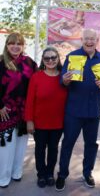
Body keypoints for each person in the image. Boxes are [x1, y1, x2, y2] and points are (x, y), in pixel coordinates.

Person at [55, 28, 100, 191]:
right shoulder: (72, 57)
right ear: (82, 39)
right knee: (68, 143)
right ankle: (62, 174)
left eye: (92, 39)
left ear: (97, 40)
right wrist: (64, 80)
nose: (89, 41)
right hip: (74, 111)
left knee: (91, 144)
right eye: (86, 39)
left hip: (93, 110)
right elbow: (63, 82)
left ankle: (87, 173)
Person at [24, 47, 67, 188]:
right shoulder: (36, 77)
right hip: (39, 122)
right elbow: (29, 101)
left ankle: (49, 173)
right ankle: (41, 174)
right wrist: (29, 121)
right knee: (40, 149)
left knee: (53, 149)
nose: (50, 61)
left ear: (58, 58)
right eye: (47, 58)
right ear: (43, 60)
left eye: (53, 57)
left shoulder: (64, 78)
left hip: (58, 122)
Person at [0, 33, 37, 188]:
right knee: (6, 147)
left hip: (24, 110)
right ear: (7, 45)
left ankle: (17, 172)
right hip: (5, 111)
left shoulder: (30, 63)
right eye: (12, 43)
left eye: (19, 43)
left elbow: (38, 83)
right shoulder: (1, 62)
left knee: (21, 144)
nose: (15, 46)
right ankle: (3, 177)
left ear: (23, 46)